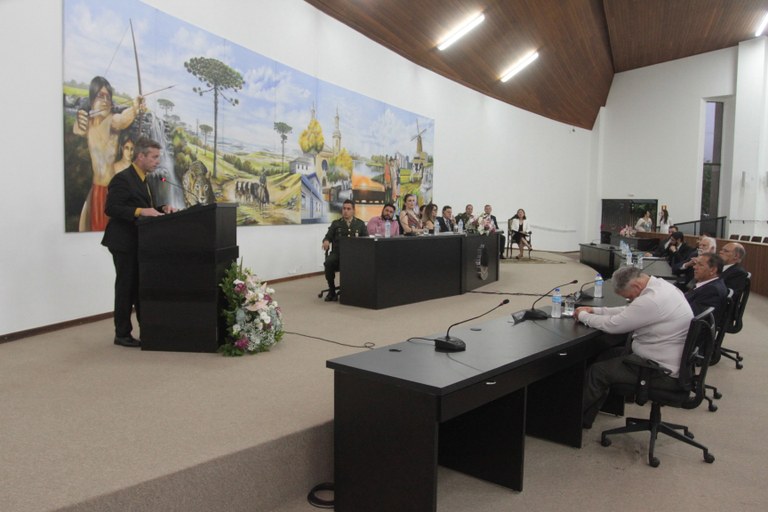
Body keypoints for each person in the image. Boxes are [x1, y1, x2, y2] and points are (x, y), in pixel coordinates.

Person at [575, 266, 693, 428]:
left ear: (636, 286)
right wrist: (596, 310)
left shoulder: (652, 300)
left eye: (629, 296)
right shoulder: (662, 287)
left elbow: (614, 325)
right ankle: (585, 419)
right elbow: (631, 311)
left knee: (598, 372)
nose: (629, 299)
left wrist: (583, 316)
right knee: (607, 355)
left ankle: (570, 421)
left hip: (660, 371)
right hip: (668, 361)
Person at [102, 137, 178, 347]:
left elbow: (144, 206)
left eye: (158, 157)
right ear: (140, 156)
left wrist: (162, 208)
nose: (157, 161)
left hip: (140, 241)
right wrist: (141, 211)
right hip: (123, 242)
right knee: (126, 288)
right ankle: (122, 334)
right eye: (154, 157)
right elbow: (112, 208)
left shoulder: (146, 179)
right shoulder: (122, 179)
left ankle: (148, 330)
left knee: (139, 287)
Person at [74, 76, 144, 232]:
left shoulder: (112, 121)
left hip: (111, 190)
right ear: (92, 99)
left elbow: (122, 120)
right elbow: (78, 129)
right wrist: (79, 121)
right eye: (101, 96)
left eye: (108, 97)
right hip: (96, 190)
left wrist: (134, 108)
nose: (105, 101)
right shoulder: (89, 123)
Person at [322, 199, 368, 301]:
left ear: (353, 210)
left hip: (355, 255)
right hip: (338, 254)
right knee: (328, 262)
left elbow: (366, 240)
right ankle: (332, 290)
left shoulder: (360, 224)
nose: (345, 211)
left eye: (348, 209)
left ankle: (355, 289)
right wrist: (326, 241)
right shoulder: (336, 224)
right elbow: (328, 236)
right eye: (344, 209)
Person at [685, 253, 727, 318]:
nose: (694, 267)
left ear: (713, 270)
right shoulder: (711, 283)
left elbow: (691, 315)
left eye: (700, 265)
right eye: (696, 264)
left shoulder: (712, 290)